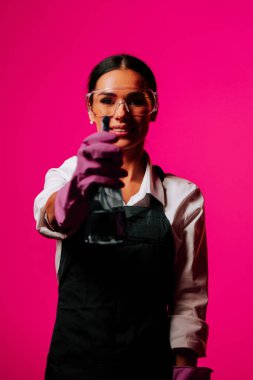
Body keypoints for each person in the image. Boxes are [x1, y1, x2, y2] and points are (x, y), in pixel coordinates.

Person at [34, 54, 212, 380]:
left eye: (135, 100)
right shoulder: (65, 176)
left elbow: (188, 297)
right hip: (73, 364)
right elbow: (52, 219)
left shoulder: (183, 196)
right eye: (107, 100)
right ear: (91, 110)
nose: (121, 114)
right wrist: (77, 188)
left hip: (149, 364)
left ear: (153, 108)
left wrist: (184, 365)